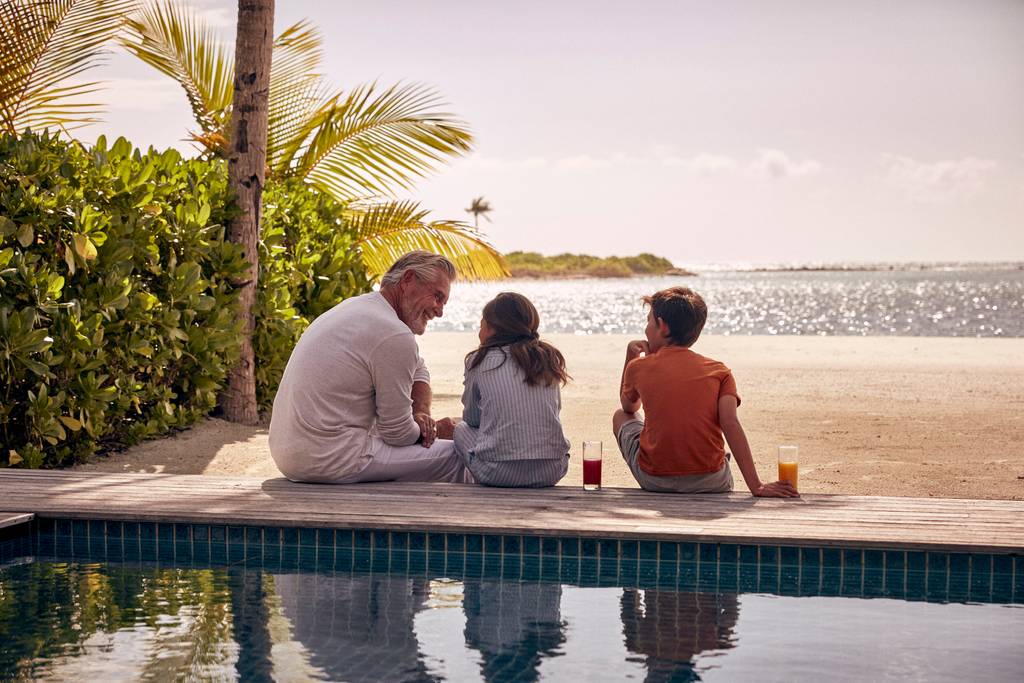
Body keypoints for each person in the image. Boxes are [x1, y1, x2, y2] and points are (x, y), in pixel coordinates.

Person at [269, 250, 470, 484]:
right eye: (437, 297)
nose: (440, 311)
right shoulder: (393, 333)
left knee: (419, 452)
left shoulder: (358, 308)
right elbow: (398, 434)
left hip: (289, 455)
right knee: (458, 455)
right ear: (408, 280)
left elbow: (419, 369)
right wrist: (434, 430)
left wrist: (421, 413)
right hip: (330, 458)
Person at [613, 286, 797, 497]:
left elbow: (629, 406)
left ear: (662, 327)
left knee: (621, 416)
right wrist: (757, 486)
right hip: (712, 481)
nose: (646, 329)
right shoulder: (719, 371)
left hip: (654, 479)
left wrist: (631, 358)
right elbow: (730, 424)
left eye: (648, 321)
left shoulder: (639, 367)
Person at [449, 292, 571, 487]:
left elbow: (472, 419)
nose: (479, 333)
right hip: (552, 470)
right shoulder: (547, 357)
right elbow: (554, 411)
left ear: (491, 329)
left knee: (460, 429)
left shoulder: (478, 360)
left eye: (481, 326)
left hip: (496, 474)